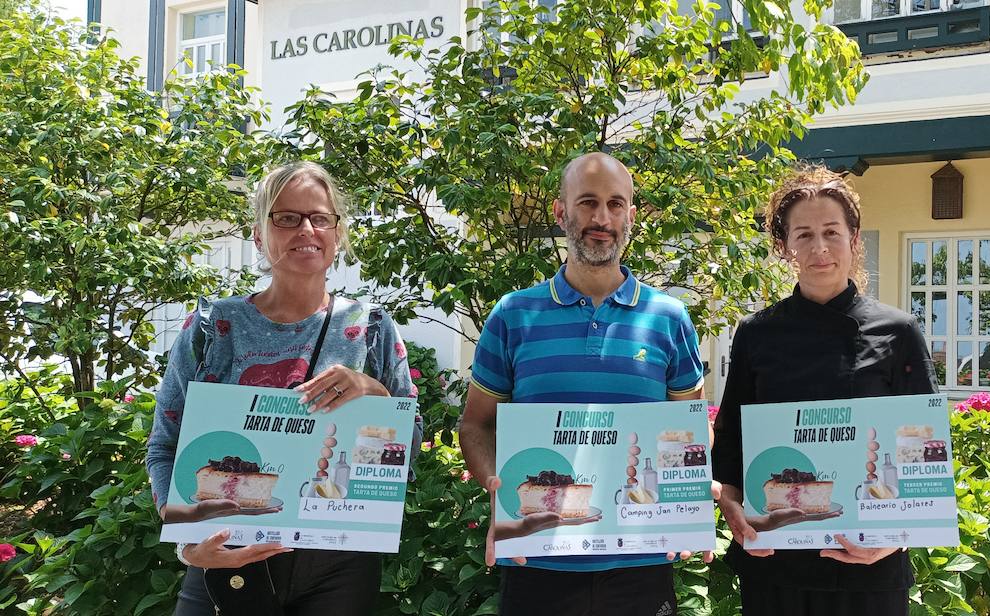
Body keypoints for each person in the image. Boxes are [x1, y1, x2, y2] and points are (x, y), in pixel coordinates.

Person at [146, 161, 419, 615]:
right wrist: (188, 543)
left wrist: (376, 395)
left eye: (320, 217)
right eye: (286, 217)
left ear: (337, 233)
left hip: (338, 563)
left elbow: (405, 451)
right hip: (226, 558)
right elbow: (165, 446)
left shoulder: (370, 329)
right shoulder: (214, 328)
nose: (306, 229)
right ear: (259, 234)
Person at [459, 152, 707, 616]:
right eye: (587, 202)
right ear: (560, 212)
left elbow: (688, 432)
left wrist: (686, 505)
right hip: (538, 560)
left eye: (616, 204)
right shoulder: (513, 315)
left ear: (631, 215)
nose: (602, 218)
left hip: (641, 559)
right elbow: (475, 426)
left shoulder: (669, 319)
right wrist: (497, 489)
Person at [711, 165, 938, 615]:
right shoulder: (757, 334)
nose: (819, 249)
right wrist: (733, 510)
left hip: (868, 563)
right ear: (784, 246)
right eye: (804, 234)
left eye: (832, 232)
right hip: (775, 562)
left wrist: (894, 539)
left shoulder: (898, 331)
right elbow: (733, 449)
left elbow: (923, 448)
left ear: (855, 240)